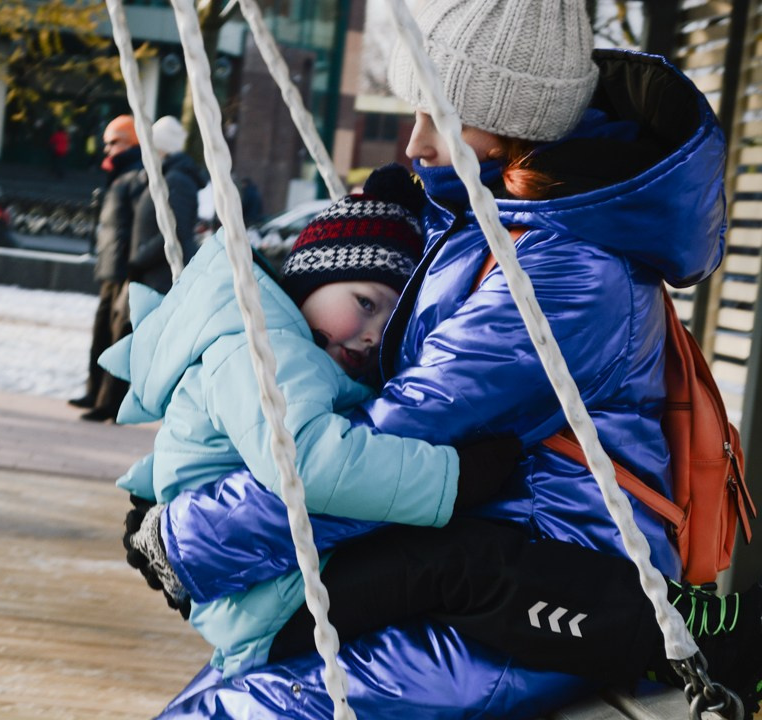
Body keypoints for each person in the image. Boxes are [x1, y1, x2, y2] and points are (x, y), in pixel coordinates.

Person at [120, 1, 760, 717]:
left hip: (532, 584)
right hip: (455, 555)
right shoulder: (488, 219)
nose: (416, 145)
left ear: (519, 124)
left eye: (441, 119)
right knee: (222, 690)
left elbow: (393, 439)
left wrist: (189, 536)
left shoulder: (564, 272)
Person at [102, 166, 523, 677]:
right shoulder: (259, 348)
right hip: (265, 601)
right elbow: (310, 464)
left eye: (388, 323)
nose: (372, 335)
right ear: (313, 277)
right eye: (365, 303)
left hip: (272, 584)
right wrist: (453, 480)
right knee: (453, 565)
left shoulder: (294, 353)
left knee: (443, 576)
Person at [69, 115, 145, 422]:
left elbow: (137, 224)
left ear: (133, 142)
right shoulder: (120, 173)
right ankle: (94, 390)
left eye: (116, 142)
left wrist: (131, 263)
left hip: (125, 266)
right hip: (112, 264)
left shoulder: (136, 173)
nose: (109, 149)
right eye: (107, 143)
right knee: (102, 331)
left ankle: (108, 400)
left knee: (117, 335)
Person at [127, 116, 207, 294]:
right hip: (154, 275)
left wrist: (139, 261)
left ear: (162, 148)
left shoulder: (177, 181)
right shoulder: (165, 177)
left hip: (162, 279)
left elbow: (175, 231)